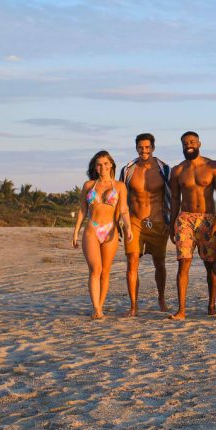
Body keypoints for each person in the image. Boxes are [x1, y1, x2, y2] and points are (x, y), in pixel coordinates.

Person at [168, 132, 216, 320]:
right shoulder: (177, 170)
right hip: (185, 218)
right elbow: (175, 199)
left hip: (207, 219)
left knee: (210, 265)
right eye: (185, 143)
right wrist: (172, 223)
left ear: (199, 143)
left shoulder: (213, 166)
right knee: (183, 263)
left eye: (192, 142)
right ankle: (181, 310)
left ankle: (211, 306)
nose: (188, 145)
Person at [71, 151, 132, 319]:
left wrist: (128, 228)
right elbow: (83, 210)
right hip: (92, 228)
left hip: (110, 230)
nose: (102, 167)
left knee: (105, 271)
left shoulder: (119, 186)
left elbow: (125, 210)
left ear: (111, 164)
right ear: (95, 167)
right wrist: (75, 232)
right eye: (99, 164)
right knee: (95, 269)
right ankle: (96, 308)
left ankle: (101, 306)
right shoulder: (88, 185)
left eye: (105, 163)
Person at [118, 133, 171, 317]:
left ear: (153, 148)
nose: (144, 150)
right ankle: (133, 306)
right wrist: (120, 222)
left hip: (157, 221)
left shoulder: (164, 169)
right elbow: (122, 197)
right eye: (141, 147)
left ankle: (161, 299)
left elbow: (172, 196)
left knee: (160, 263)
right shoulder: (128, 169)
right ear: (136, 148)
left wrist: (170, 221)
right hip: (135, 222)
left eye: (147, 147)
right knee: (132, 262)